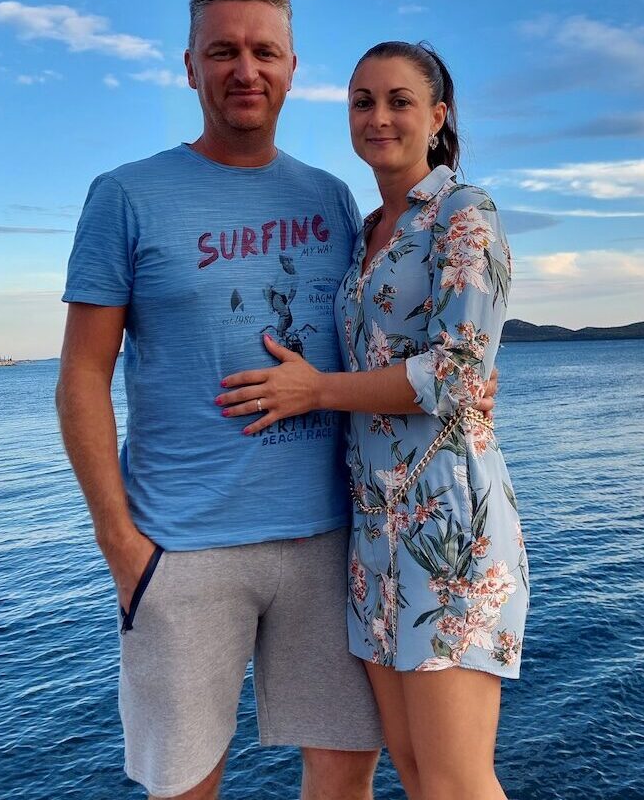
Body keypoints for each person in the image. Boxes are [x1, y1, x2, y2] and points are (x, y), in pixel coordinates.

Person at [55, 0, 385, 800]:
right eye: (224, 51)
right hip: (183, 546)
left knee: (346, 771)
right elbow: (82, 378)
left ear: (292, 65)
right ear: (190, 65)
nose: (247, 70)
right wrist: (122, 548)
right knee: (185, 785)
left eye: (264, 51)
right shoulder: (126, 195)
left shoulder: (332, 196)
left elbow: (372, 345)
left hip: (329, 538)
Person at [217, 41, 529, 800]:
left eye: (398, 101)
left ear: (438, 117)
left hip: (450, 531)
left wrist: (316, 391)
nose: (379, 117)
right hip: (374, 540)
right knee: (418, 776)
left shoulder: (464, 214)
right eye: (363, 101)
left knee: (457, 781)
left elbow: (459, 373)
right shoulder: (363, 234)